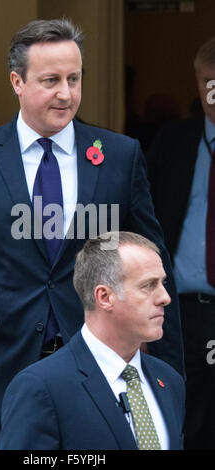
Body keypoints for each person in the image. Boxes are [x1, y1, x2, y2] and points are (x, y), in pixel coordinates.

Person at [0, 19, 183, 450]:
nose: (66, 93)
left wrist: (171, 378)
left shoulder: (119, 156)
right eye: (51, 80)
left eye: (74, 79)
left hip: (101, 382)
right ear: (17, 82)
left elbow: (156, 263)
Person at [0, 232, 185, 450]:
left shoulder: (169, 381)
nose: (165, 297)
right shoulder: (41, 387)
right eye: (148, 285)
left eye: (162, 283)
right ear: (104, 297)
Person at [147, 36, 215, 449]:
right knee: (178, 421)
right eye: (208, 81)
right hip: (181, 311)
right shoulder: (173, 142)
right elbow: (139, 220)